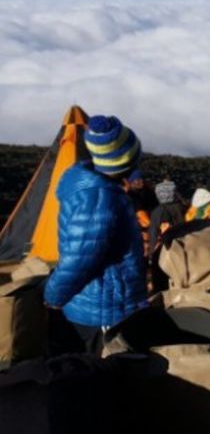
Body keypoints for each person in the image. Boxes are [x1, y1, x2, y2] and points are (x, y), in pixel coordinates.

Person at [44, 115, 147, 355]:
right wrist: (53, 296)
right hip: (102, 307)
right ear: (125, 161)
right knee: (101, 372)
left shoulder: (98, 191)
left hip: (99, 300)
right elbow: (80, 258)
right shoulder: (100, 199)